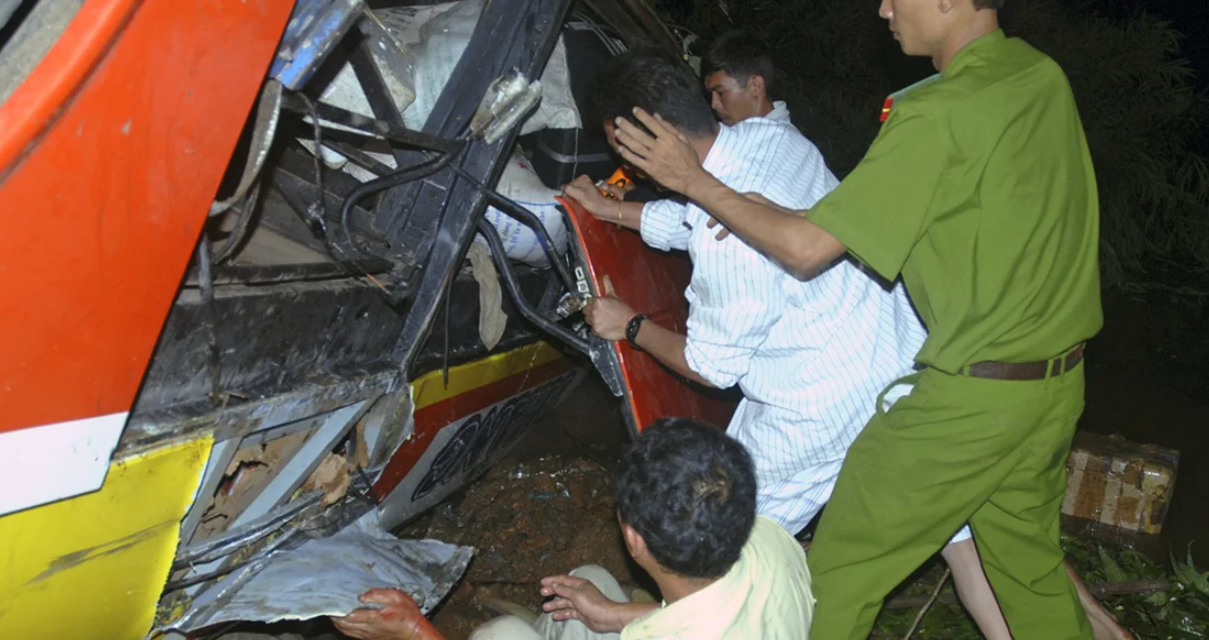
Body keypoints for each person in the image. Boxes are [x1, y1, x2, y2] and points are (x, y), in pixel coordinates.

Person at [606, 0, 1125, 639]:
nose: (883, 8)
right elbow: (851, 224)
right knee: (1028, 572)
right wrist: (721, 204)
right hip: (1053, 387)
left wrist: (693, 181)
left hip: (968, 399)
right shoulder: (1037, 75)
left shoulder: (937, 111)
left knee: (837, 578)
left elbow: (804, 251)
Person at [563, 47, 1017, 640]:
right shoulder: (773, 138)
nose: (620, 158)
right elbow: (698, 214)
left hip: (818, 402)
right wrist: (612, 211)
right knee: (957, 533)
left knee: (716, 533)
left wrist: (629, 324)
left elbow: (711, 366)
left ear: (655, 133)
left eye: (621, 143)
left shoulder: (726, 246)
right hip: (897, 357)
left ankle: (642, 620)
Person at [329, 417, 814, 640]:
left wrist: (414, 631)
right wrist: (611, 615)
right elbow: (708, 610)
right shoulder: (772, 539)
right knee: (593, 587)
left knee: (502, 636)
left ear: (635, 540)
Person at [701, 30, 791, 126]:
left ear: (756, 86)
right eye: (711, 95)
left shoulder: (781, 140)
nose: (714, 104)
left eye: (720, 93)